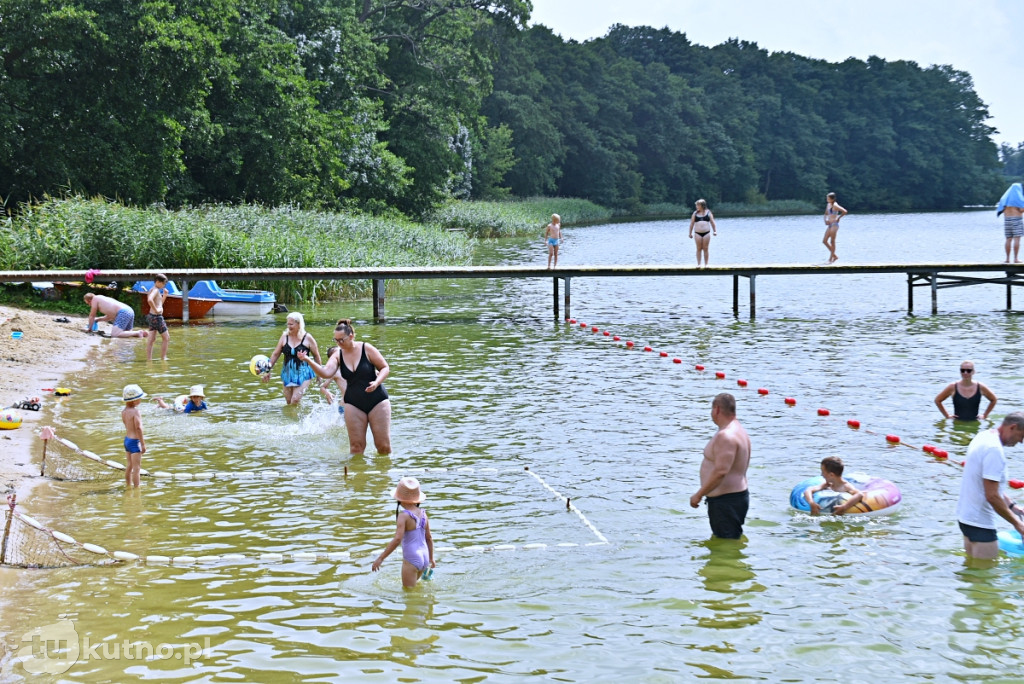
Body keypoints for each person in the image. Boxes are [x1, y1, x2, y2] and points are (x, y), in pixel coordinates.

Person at [298, 318, 391, 454]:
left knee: (383, 447)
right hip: (353, 403)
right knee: (356, 448)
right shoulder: (337, 355)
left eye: (341, 340)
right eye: (336, 340)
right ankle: (358, 474)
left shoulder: (366, 348)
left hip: (377, 400)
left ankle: (382, 474)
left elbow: (385, 367)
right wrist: (308, 360)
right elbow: (326, 372)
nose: (339, 343)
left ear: (351, 336)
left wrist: (377, 382)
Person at [956, 412, 1024, 559]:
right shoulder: (994, 451)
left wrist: (1012, 506)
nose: (1021, 442)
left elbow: (990, 485)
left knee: (972, 571)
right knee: (985, 577)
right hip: (981, 523)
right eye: (1022, 436)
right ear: (1013, 427)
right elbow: (992, 496)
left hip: (966, 518)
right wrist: (1019, 525)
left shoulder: (984, 436)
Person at [690, 393, 751, 539]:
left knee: (726, 546)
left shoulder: (726, 436)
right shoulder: (739, 429)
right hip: (733, 499)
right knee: (729, 542)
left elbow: (721, 471)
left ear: (717, 409)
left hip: (726, 501)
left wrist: (699, 494)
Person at [371, 477, 435, 588]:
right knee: (416, 591)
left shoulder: (403, 516)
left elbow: (397, 539)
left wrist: (381, 558)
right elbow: (429, 537)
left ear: (399, 498)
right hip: (424, 557)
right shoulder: (424, 514)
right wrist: (431, 558)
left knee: (408, 595)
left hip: (412, 558)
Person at [261, 312, 322, 406]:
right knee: (289, 402)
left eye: (291, 324)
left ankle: (299, 418)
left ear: (299, 324)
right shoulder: (284, 337)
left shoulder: (308, 338)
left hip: (303, 373)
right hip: (288, 373)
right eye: (288, 324)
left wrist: (319, 374)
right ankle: (294, 419)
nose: (289, 326)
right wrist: (267, 370)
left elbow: (316, 356)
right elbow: (275, 354)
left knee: (295, 400)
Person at [121, 384, 147, 487]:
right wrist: (143, 444)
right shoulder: (136, 412)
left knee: (129, 466)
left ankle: (128, 485)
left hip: (127, 440)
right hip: (135, 442)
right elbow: (138, 428)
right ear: (134, 400)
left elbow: (127, 425)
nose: (140, 400)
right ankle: (137, 489)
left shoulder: (124, 411)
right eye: (139, 398)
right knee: (137, 469)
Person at [996, 182, 1024, 264]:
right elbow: (1021, 210)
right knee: (1017, 239)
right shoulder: (1018, 199)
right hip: (1017, 220)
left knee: (1008, 239)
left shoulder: (1005, 199)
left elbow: (1001, 209)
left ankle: (1007, 259)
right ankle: (1016, 259)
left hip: (1007, 220)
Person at [145, 274, 170, 361]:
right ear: (158, 282)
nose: (164, 286)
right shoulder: (155, 290)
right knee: (166, 338)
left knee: (151, 339)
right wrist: (156, 310)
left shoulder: (153, 289)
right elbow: (149, 300)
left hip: (152, 316)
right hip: (157, 317)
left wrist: (165, 295)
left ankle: (149, 360)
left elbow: (159, 304)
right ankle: (163, 358)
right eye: (163, 284)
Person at [317, 346, 347, 417]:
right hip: (345, 407)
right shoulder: (335, 372)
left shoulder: (353, 366)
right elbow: (322, 387)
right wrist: (327, 393)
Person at [688, 199, 718, 267]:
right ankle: (699, 264)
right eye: (696, 205)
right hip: (697, 233)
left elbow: (712, 222)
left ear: (702, 205)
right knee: (698, 248)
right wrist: (690, 233)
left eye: (698, 205)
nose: (697, 206)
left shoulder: (708, 213)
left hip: (706, 233)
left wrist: (715, 231)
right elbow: (691, 224)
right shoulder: (695, 214)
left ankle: (706, 264)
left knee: (705, 248)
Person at [822, 192, 847, 264]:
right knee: (824, 241)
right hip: (830, 225)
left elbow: (844, 211)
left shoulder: (835, 205)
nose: (827, 199)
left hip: (834, 225)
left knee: (832, 241)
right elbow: (826, 213)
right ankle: (835, 256)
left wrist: (839, 218)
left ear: (832, 199)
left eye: (828, 198)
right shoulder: (828, 205)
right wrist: (825, 220)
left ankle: (830, 259)